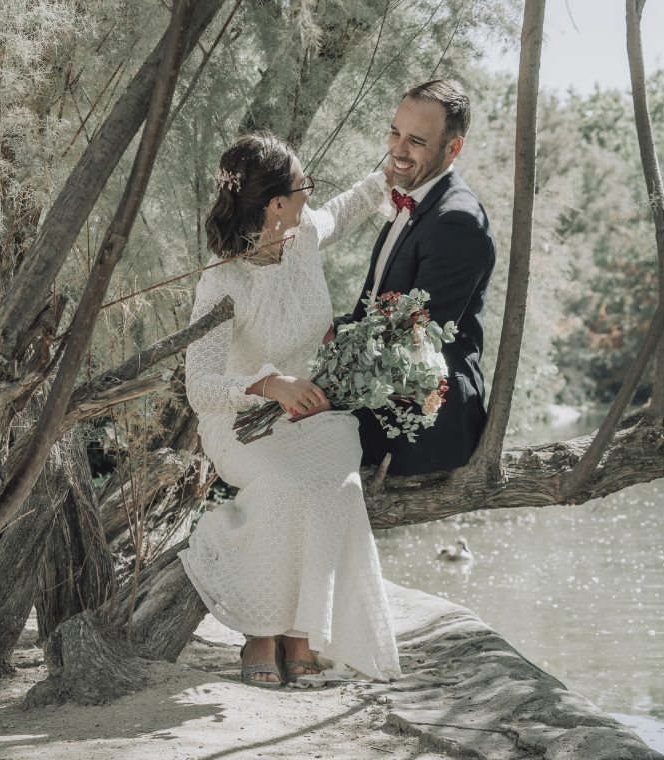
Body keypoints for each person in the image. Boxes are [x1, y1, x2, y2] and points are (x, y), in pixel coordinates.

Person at [179, 133, 401, 688]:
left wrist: (387, 178)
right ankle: (263, 629)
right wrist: (268, 384)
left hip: (315, 416)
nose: (309, 196)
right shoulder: (222, 279)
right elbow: (198, 387)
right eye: (303, 187)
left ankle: (302, 631)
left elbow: (343, 211)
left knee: (339, 484)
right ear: (276, 203)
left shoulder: (300, 239)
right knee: (284, 484)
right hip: (240, 423)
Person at [338, 80, 496, 476]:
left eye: (417, 141)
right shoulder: (414, 198)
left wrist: (325, 370)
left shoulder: (457, 222)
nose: (398, 149)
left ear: (453, 147)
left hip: (422, 422)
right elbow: (369, 313)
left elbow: (408, 341)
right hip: (378, 389)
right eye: (395, 133)